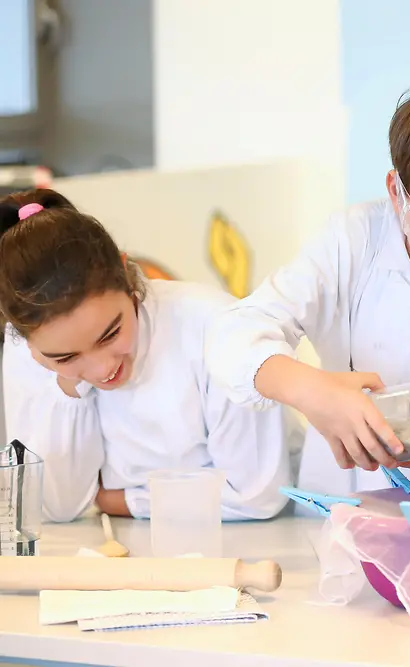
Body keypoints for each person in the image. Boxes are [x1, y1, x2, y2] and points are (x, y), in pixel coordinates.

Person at [205, 81, 410, 496]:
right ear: (397, 193)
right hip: (333, 502)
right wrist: (314, 392)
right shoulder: (354, 240)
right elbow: (235, 334)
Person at [0, 189, 291, 522]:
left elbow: (258, 495)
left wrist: (118, 501)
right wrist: (68, 387)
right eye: (66, 357)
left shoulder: (211, 324)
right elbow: (55, 508)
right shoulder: (26, 351)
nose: (102, 368)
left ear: (127, 276)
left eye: (110, 334)